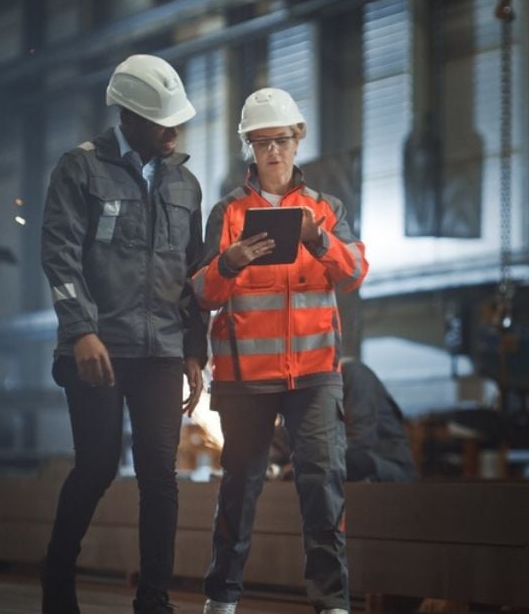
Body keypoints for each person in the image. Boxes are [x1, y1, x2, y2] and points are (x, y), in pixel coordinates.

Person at [40, 54, 207, 614]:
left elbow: (193, 274)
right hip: (98, 350)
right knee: (98, 466)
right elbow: (59, 257)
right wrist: (82, 332)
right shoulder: (80, 170)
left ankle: (154, 600)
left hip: (161, 348)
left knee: (161, 475)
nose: (175, 129)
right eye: (164, 121)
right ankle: (57, 581)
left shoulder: (185, 184)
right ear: (130, 117)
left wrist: (193, 350)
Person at [191, 87, 368, 614]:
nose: (273, 152)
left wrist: (319, 242)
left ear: (299, 140)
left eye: (282, 140)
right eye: (262, 142)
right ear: (248, 145)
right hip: (247, 379)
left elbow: (355, 272)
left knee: (323, 486)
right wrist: (229, 262)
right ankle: (220, 600)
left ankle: (332, 604)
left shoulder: (326, 210)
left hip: (314, 373)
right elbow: (200, 292)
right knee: (239, 492)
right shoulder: (227, 214)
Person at [270, 358, 416, 483]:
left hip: (386, 467)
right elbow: (277, 447)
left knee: (351, 462)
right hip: (328, 471)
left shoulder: (353, 374)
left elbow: (360, 443)